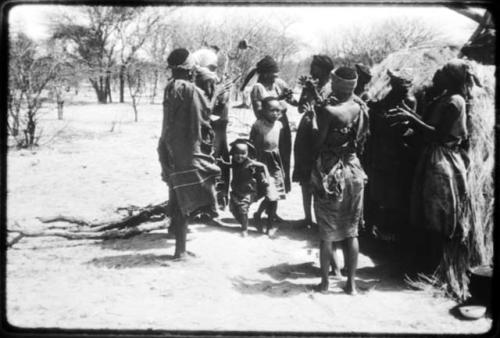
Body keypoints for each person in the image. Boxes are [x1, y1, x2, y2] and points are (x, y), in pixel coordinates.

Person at [388, 59, 478, 277]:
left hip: (443, 160)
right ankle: (427, 264)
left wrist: (411, 119)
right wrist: (411, 120)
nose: (438, 75)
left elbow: (438, 134)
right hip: (432, 156)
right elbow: (429, 128)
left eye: (443, 72)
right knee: (426, 212)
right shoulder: (443, 98)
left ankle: (436, 267)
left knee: (438, 214)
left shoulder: (456, 101)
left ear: (452, 78)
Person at [308, 67, 369, 294]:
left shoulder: (329, 112)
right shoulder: (361, 106)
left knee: (327, 232)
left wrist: (313, 120)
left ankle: (324, 283)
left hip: (331, 172)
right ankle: (351, 284)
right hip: (354, 171)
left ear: (335, 84)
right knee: (351, 230)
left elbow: (318, 144)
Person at [157, 48, 220, 259]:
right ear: (189, 67)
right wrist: (216, 94)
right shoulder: (191, 90)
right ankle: (180, 251)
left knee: (177, 195)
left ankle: (179, 245)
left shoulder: (171, 87)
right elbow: (202, 118)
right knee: (186, 197)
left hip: (170, 147)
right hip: (187, 150)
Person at [364, 69, 417, 241]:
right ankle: (373, 227)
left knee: (391, 193)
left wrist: (381, 118)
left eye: (397, 82)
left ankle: (387, 231)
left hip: (395, 151)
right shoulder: (391, 95)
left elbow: (401, 126)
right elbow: (379, 111)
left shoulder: (408, 100)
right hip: (381, 149)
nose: (393, 85)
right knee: (377, 190)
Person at [241, 55, 297, 196]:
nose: (275, 78)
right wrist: (278, 101)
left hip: (282, 128)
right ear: (265, 74)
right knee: (269, 165)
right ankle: (266, 202)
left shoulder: (279, 83)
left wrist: (294, 97)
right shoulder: (258, 88)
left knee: (282, 161)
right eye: (273, 75)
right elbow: (259, 113)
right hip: (266, 131)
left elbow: (294, 102)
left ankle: (276, 202)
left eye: (277, 75)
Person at [294, 55, 334, 230]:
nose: (312, 69)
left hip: (321, 133)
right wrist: (306, 92)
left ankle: (320, 219)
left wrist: (314, 91)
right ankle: (307, 218)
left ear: (325, 69)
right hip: (306, 131)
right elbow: (300, 107)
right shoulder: (311, 84)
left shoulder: (333, 87)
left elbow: (326, 109)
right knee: (304, 176)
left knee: (318, 175)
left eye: (315, 66)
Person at [193, 51, 231, 210]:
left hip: (215, 126)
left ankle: (211, 203)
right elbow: (212, 107)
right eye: (212, 66)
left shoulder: (201, 77)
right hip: (213, 127)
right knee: (215, 163)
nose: (214, 70)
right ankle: (212, 204)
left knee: (215, 163)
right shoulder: (207, 78)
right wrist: (222, 93)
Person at [249, 97, 287, 237]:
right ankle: (258, 215)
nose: (276, 113)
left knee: (274, 194)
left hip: (275, 162)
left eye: (278, 110)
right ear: (263, 111)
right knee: (268, 192)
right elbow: (251, 144)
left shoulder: (279, 125)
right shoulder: (258, 125)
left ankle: (269, 223)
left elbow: (280, 145)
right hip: (261, 162)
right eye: (272, 110)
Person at [223, 139, 271, 237]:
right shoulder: (234, 161)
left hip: (247, 192)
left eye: (243, 153)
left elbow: (263, 166)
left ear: (248, 153)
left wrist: (266, 178)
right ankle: (246, 223)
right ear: (232, 153)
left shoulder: (250, 163)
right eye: (237, 153)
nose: (240, 156)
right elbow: (232, 166)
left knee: (243, 209)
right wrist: (224, 163)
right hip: (236, 191)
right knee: (233, 209)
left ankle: (244, 229)